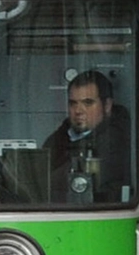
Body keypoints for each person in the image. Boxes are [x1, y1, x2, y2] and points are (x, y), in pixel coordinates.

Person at [41, 70, 131, 203]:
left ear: (107, 106)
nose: (78, 110)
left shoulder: (115, 142)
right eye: (73, 103)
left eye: (88, 103)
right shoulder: (58, 138)